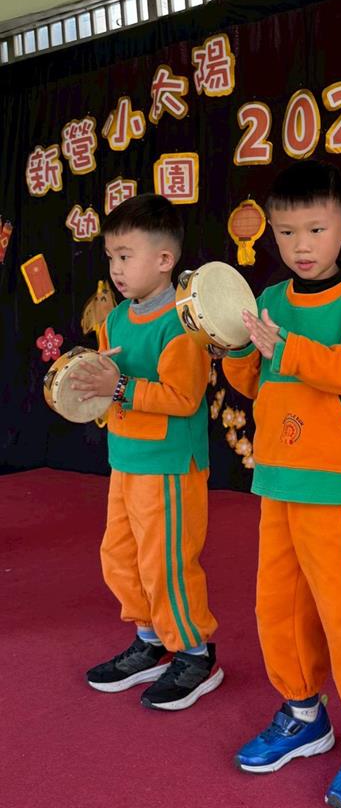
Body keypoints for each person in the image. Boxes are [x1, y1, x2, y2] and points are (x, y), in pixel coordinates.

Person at [222, 160, 341, 808]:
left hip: (339, 486)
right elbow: (255, 382)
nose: (300, 245)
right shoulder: (270, 300)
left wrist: (288, 349)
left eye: (316, 229)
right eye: (286, 232)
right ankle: (303, 714)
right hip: (278, 477)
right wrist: (233, 347)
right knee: (278, 606)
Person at [71, 193, 222, 711]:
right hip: (126, 460)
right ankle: (151, 640)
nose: (116, 268)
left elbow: (184, 399)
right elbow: (106, 377)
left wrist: (118, 388)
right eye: (111, 256)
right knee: (119, 556)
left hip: (170, 467)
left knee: (167, 564)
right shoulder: (115, 320)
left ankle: (195, 653)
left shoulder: (182, 324)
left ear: (164, 259)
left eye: (126, 256)